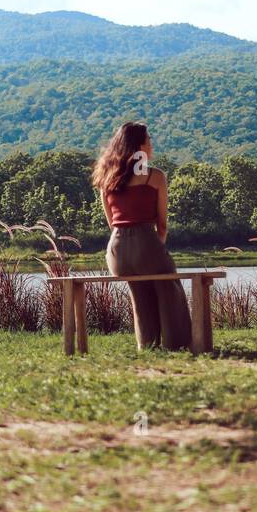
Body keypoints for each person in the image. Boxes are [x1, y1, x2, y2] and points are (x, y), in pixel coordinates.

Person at [92, 121, 191, 351]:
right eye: (149, 139)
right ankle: (177, 345)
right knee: (169, 288)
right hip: (146, 241)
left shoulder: (107, 179)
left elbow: (111, 222)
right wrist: (156, 248)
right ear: (139, 146)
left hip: (117, 251)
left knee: (139, 292)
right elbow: (162, 225)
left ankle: (147, 345)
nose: (152, 144)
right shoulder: (155, 176)